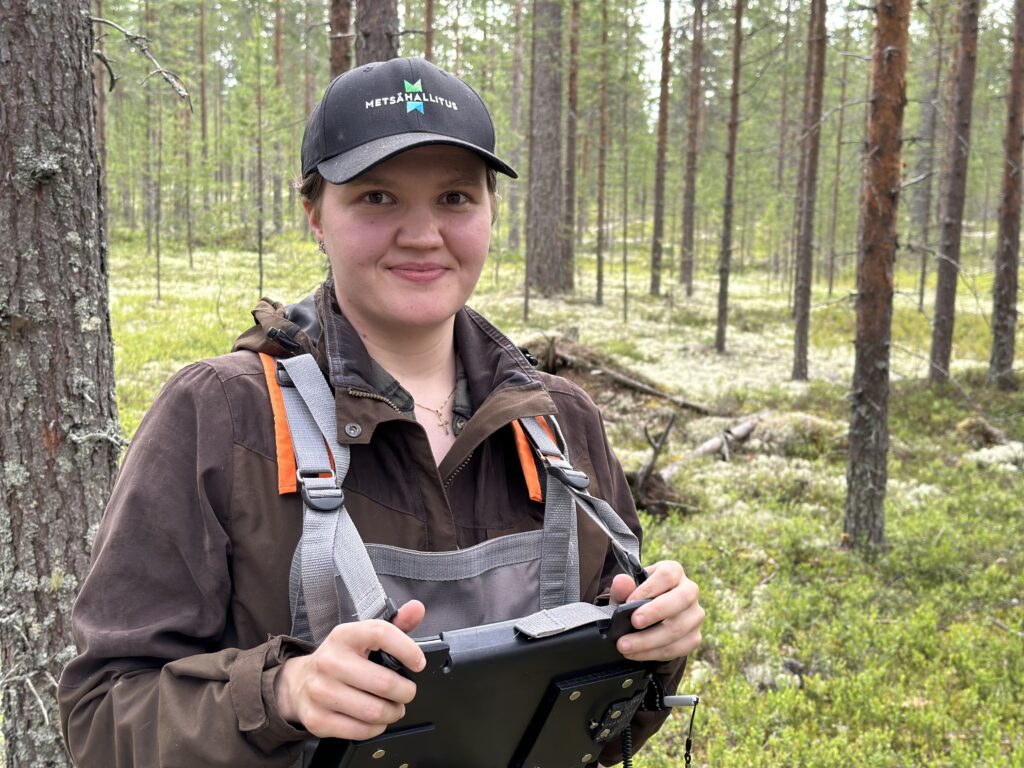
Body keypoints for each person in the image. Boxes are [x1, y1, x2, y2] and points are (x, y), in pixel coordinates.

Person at [59, 57, 704, 767]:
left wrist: (654, 648)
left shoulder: (561, 424)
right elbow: (102, 717)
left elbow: (602, 730)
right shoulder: (222, 417)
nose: (422, 234)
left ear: (491, 212)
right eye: (377, 198)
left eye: (455, 198)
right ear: (315, 216)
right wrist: (283, 694)